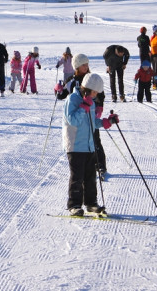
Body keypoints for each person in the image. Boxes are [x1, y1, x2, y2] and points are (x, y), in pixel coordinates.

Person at [61, 72, 118, 216]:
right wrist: (83, 106)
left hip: (89, 145)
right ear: (86, 88)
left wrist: (106, 122)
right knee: (77, 177)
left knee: (90, 177)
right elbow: (73, 121)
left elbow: (92, 122)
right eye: (94, 92)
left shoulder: (90, 102)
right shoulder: (72, 100)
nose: (95, 96)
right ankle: (74, 205)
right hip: (75, 145)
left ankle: (91, 204)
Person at [55, 53, 108, 177]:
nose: (86, 67)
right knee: (83, 141)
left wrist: (100, 107)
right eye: (83, 65)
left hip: (92, 113)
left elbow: (101, 93)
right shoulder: (71, 81)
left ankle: (100, 165)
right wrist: (58, 90)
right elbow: (62, 95)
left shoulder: (92, 78)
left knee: (96, 139)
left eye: (87, 64)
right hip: (78, 114)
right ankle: (87, 165)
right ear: (77, 67)